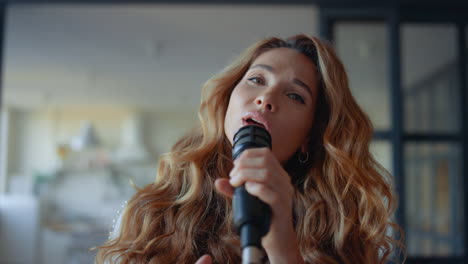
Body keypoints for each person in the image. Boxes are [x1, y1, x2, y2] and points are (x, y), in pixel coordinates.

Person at [95, 34, 403, 264]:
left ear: (310, 136)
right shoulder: (150, 213)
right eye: (256, 79)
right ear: (228, 98)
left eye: (295, 96)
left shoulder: (343, 236)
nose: (266, 97)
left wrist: (284, 246)